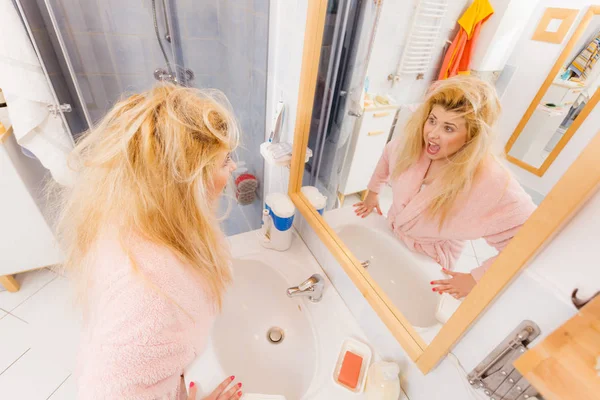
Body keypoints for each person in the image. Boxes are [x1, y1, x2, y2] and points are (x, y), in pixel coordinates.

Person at [53, 84, 244, 399]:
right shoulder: (150, 289)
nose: (233, 168)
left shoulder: (132, 216)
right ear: (191, 183)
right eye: (225, 161)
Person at [354, 76, 536, 299]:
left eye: (448, 128)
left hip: (431, 258)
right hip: (393, 234)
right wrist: (373, 193)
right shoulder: (413, 144)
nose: (432, 133)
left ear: (472, 135)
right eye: (432, 120)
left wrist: (476, 278)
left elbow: (530, 238)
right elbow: (386, 157)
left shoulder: (491, 181)